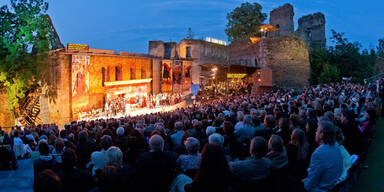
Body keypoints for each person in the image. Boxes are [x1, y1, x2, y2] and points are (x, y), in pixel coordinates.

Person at [303, 121, 343, 192]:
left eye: (317, 130)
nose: (315, 132)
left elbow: (310, 184)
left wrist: (304, 182)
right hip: (332, 185)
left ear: (322, 135)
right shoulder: (336, 147)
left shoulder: (318, 153)